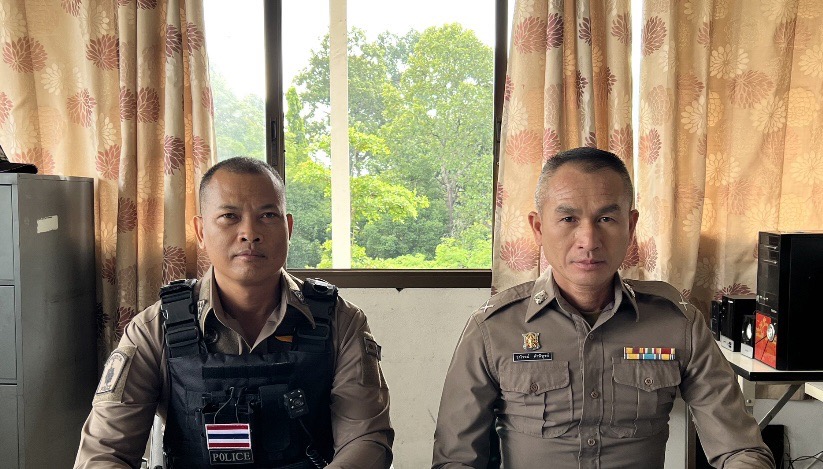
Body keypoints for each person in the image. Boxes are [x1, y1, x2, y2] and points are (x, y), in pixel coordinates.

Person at [432, 147, 774, 468]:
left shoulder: (677, 323)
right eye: (568, 219)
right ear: (538, 228)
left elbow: (740, 449)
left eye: (606, 219)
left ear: (630, 226)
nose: (589, 241)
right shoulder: (494, 328)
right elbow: (455, 460)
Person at [76, 157, 393, 468]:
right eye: (229, 216)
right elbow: (104, 454)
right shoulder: (154, 328)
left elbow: (366, 440)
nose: (250, 233)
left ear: (288, 227)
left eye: (267, 215)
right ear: (201, 231)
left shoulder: (340, 321)